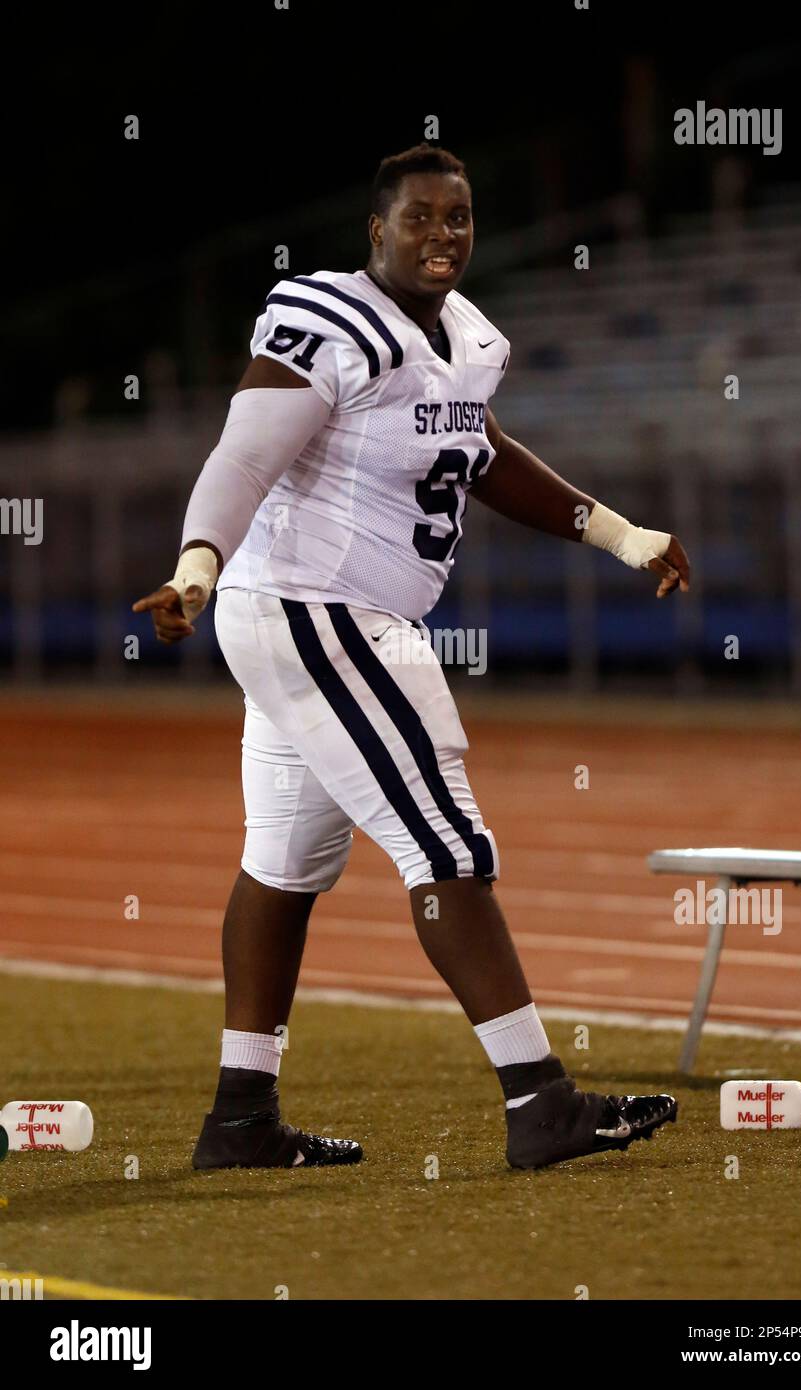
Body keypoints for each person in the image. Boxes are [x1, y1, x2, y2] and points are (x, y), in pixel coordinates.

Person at [133, 144, 690, 1173]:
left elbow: (478, 454)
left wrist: (620, 536)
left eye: (460, 218)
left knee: (284, 863)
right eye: (420, 218)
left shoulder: (466, 339)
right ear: (375, 232)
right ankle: (540, 1100)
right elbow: (244, 454)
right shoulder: (328, 318)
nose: (442, 236)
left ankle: (241, 1115)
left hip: (309, 617)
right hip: (320, 610)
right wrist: (196, 566)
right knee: (445, 844)